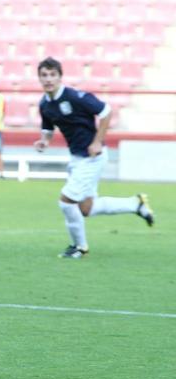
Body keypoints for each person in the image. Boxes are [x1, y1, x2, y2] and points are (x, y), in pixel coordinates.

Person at [34, 57, 154, 259]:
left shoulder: (76, 97)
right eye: (44, 75)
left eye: (52, 75)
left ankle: (79, 247)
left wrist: (98, 141)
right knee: (86, 208)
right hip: (77, 158)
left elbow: (106, 112)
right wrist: (44, 140)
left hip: (92, 157)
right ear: (39, 78)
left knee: (66, 201)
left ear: (60, 77)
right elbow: (47, 128)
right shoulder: (45, 104)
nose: (48, 79)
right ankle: (136, 204)